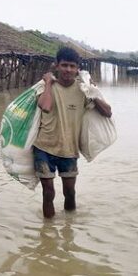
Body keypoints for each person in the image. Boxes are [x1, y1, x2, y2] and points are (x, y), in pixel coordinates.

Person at [33, 47, 112, 218]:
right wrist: (47, 83)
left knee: (70, 192)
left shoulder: (84, 89)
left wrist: (94, 92)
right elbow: (45, 107)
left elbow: (107, 112)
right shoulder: (46, 87)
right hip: (43, 147)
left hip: (69, 150)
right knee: (48, 193)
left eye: (72, 66)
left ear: (78, 69)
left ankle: (69, 228)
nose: (68, 70)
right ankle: (48, 233)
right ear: (56, 66)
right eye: (64, 65)